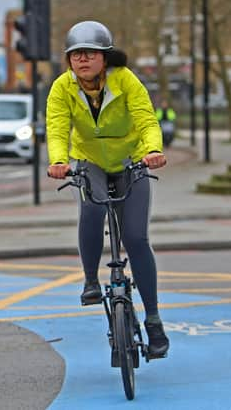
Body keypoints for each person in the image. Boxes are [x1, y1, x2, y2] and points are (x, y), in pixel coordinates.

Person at [45, 20, 169, 358]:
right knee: (92, 206)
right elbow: (57, 128)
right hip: (89, 161)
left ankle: (154, 321)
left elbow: (146, 119)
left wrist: (153, 150)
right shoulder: (61, 88)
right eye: (75, 55)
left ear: (105, 57)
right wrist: (58, 161)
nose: (82, 60)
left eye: (90, 54)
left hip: (130, 160)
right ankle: (90, 281)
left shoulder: (125, 80)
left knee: (136, 238)